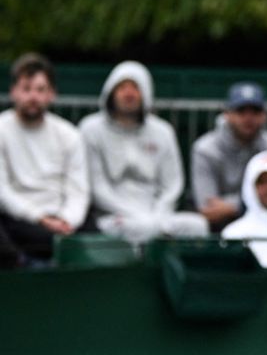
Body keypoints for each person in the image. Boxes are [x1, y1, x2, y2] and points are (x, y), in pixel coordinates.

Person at [78, 61, 207, 243]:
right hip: (113, 217)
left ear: (146, 93)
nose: (129, 93)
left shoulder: (163, 131)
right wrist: (138, 217)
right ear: (110, 92)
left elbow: (172, 185)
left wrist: (157, 216)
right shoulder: (90, 129)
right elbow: (97, 187)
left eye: (135, 88)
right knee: (135, 229)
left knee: (197, 226)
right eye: (122, 87)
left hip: (159, 216)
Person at [0, 54, 89, 268]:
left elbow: (78, 190)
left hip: (63, 222)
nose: (33, 97)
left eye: (41, 90)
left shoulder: (69, 134)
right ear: (14, 92)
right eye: (27, 88)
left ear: (52, 94)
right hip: (17, 220)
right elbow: (2, 191)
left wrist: (67, 221)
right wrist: (40, 218)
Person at [191, 82, 267, 231]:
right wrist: (253, 201)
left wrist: (232, 206)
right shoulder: (205, 148)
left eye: (255, 112)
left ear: (265, 115)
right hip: (216, 229)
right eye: (241, 111)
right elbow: (207, 208)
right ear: (227, 114)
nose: (248, 118)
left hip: (263, 224)